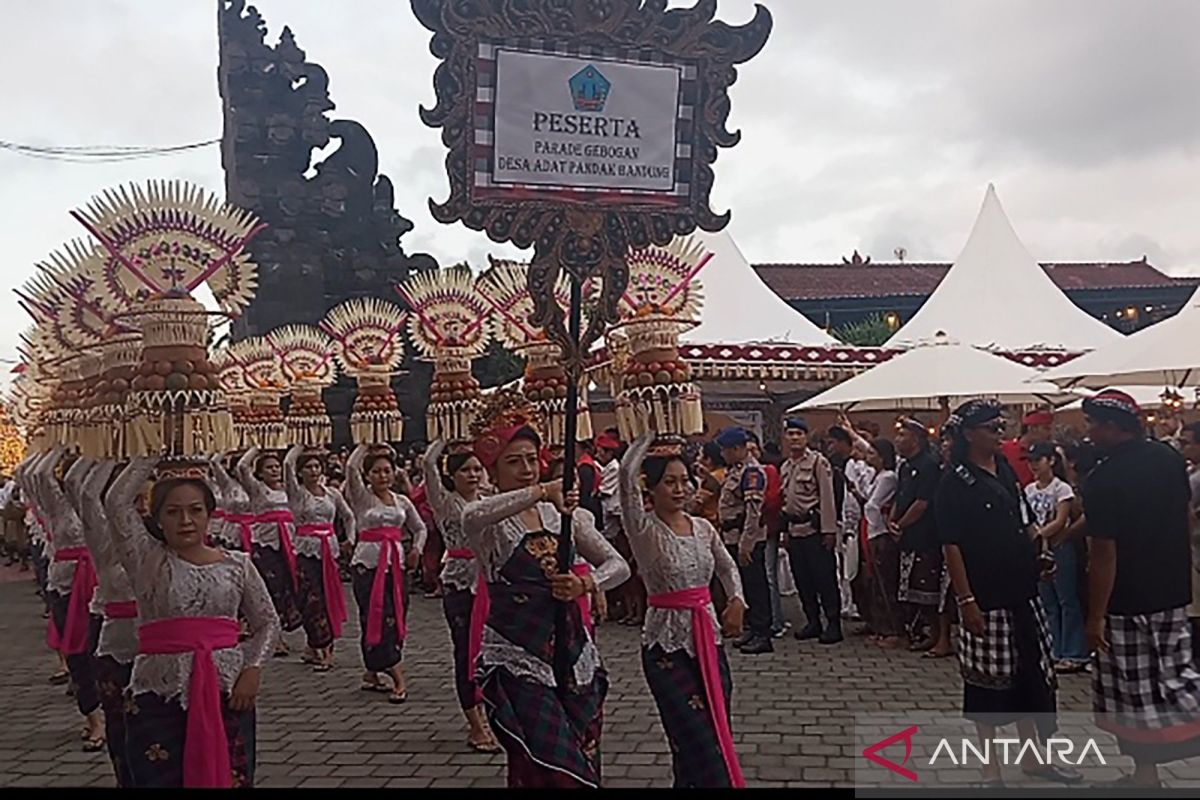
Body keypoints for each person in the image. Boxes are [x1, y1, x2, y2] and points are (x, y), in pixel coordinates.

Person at [462, 396, 630, 787]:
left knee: (581, 746)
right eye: (513, 461)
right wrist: (541, 491)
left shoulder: (565, 515)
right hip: (517, 652)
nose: (524, 469)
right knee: (549, 760)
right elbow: (469, 515)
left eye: (530, 458)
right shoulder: (488, 521)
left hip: (571, 649)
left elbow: (618, 566)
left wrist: (585, 584)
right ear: (494, 468)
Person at [104, 458, 280, 787]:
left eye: (196, 510)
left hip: (228, 690)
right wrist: (154, 447)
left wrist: (253, 669)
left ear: (209, 514)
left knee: (230, 776)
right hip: (157, 690)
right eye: (172, 512)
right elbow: (115, 501)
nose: (186, 520)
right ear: (156, 519)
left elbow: (267, 622)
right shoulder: (146, 559)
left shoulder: (238, 564)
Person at [936, 400, 1078, 788]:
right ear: (969, 434)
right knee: (987, 686)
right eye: (991, 427)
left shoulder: (1004, 469)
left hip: (1023, 588)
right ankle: (990, 770)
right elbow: (951, 545)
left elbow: (1025, 522)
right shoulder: (954, 480)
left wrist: (1040, 555)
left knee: (1033, 676)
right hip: (985, 594)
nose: (1000, 433)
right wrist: (966, 601)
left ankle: (1034, 759)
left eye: (1001, 426)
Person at [1080, 391, 1200, 787]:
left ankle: (1145, 773)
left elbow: (1104, 554)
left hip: (1127, 598)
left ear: (1114, 427)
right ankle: (1144, 775)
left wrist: (1095, 616)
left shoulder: (1103, 477)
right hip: (1171, 590)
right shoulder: (1169, 460)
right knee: (1176, 676)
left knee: (1133, 692)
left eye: (1093, 423)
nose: (1089, 431)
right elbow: (1185, 519)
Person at [619, 434, 746, 787]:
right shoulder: (643, 529)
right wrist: (649, 431)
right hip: (665, 646)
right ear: (652, 489)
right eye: (668, 482)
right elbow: (626, 474)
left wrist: (736, 600)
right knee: (694, 739)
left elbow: (726, 567)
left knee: (717, 731)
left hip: (708, 639)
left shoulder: (704, 528)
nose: (679, 489)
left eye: (684, 481)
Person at [420, 439, 500, 753]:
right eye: (465, 470)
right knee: (466, 648)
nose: (473, 475)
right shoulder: (445, 502)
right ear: (451, 476)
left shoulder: (490, 498)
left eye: (477, 469)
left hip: (490, 580)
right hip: (459, 581)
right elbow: (428, 464)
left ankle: (492, 710)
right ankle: (475, 724)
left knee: (491, 648)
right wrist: (447, 434)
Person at [31, 447, 105, 751]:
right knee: (77, 653)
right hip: (65, 585)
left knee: (105, 653)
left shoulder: (101, 504)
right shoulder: (55, 505)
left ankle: (114, 713)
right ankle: (93, 721)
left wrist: (108, 445)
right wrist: (58, 444)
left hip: (102, 587)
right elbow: (37, 474)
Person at [344, 443, 427, 703]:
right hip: (367, 566)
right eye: (377, 471)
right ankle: (396, 674)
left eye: (387, 471)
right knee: (374, 616)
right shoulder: (362, 498)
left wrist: (417, 549)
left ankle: (372, 671)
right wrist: (366, 443)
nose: (383, 476)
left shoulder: (402, 501)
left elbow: (420, 528)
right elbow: (350, 467)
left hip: (395, 565)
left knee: (396, 613)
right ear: (368, 476)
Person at [74, 458, 137, 786]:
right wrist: (112, 446)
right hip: (116, 643)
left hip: (170, 655)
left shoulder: (165, 543)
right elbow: (87, 495)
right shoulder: (105, 545)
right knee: (122, 729)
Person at [282, 445, 355, 672]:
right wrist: (301, 443)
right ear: (300, 472)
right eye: (308, 467)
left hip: (329, 552)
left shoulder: (332, 494)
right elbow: (287, 464)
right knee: (310, 600)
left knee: (326, 598)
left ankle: (325, 649)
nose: (313, 471)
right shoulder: (297, 493)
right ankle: (315, 643)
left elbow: (349, 517)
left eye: (316, 466)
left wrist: (350, 539)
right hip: (306, 551)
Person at [1024, 443, 1088, 673]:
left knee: (1066, 600)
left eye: (1037, 460)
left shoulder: (1061, 489)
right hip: (1038, 548)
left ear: (1051, 460)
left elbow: (1061, 520)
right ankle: (1053, 647)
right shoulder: (1029, 490)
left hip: (1059, 546)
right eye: (1030, 461)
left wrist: (1040, 533)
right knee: (1047, 601)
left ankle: (1074, 651)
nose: (1033, 466)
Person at [779, 418, 841, 645]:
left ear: (806, 437)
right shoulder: (786, 467)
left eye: (799, 434)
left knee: (824, 578)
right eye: (790, 434)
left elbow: (827, 498)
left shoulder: (818, 463)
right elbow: (785, 501)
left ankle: (833, 623)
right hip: (795, 530)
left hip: (814, 530)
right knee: (802, 579)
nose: (794, 438)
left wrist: (829, 530)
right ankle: (812, 620)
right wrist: (784, 532)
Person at [237, 447, 303, 655]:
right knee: (270, 589)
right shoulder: (257, 490)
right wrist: (257, 447)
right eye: (269, 468)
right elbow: (241, 467)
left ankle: (281, 630)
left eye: (276, 467)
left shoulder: (288, 490)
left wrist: (298, 447)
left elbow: (290, 466)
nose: (274, 471)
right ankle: (273, 638)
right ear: (260, 472)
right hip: (265, 546)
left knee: (286, 589)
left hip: (289, 546)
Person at [716, 427, 772, 654]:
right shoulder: (736, 470)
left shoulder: (752, 473)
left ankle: (763, 632)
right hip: (731, 536)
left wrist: (746, 543)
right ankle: (752, 628)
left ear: (738, 449)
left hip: (745, 538)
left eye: (726, 450)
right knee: (745, 584)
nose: (723, 455)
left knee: (756, 584)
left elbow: (753, 512)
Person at [892, 418, 946, 655]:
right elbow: (900, 496)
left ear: (916, 439)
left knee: (928, 590)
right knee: (911, 587)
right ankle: (918, 630)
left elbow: (922, 503)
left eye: (903, 435)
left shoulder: (929, 465)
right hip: (907, 535)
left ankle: (935, 634)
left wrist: (901, 524)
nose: (898, 439)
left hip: (926, 536)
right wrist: (893, 521)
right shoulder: (904, 466)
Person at [859, 439, 903, 647]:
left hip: (881, 533)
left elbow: (873, 504)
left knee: (885, 583)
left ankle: (893, 629)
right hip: (872, 531)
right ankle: (880, 627)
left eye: (872, 453)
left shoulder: (888, 477)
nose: (868, 457)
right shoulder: (876, 476)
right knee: (874, 583)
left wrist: (877, 526)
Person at [748, 433, 787, 639]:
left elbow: (773, 499)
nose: (751, 454)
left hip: (767, 528)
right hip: (746, 531)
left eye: (754, 449)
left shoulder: (768, 471)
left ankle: (775, 620)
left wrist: (755, 505)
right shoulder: (740, 473)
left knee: (769, 575)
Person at [1001, 409, 1054, 489]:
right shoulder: (1005, 449)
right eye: (1046, 429)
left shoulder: (1051, 451)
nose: (1050, 434)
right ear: (1032, 428)